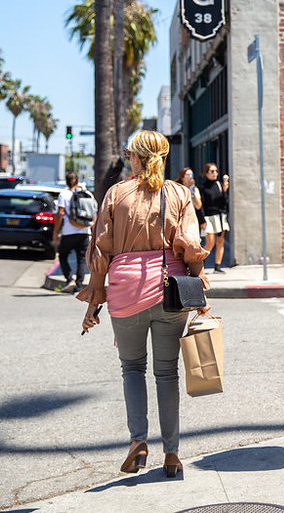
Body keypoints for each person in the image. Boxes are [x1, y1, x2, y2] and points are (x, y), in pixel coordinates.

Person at [78, 130, 209, 478]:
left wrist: (93, 301)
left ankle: (138, 442)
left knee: (132, 369)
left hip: (125, 292)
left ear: (135, 158)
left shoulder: (116, 194)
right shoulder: (180, 193)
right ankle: (172, 454)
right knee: (167, 374)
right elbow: (191, 246)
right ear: (163, 158)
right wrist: (199, 291)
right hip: (170, 292)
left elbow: (100, 253)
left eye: (128, 155)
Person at [53, 172, 90, 293]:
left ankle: (69, 280)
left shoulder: (64, 194)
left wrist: (56, 231)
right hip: (84, 230)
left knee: (62, 255)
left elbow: (60, 213)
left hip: (69, 231)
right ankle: (79, 286)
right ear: (78, 181)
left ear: (66, 181)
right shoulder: (87, 193)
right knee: (81, 258)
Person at [201, 163, 229, 273]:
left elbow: (224, 202)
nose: (215, 173)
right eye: (212, 171)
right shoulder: (202, 187)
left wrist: (225, 191)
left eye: (216, 171)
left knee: (220, 241)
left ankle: (217, 266)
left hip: (220, 216)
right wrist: (202, 220)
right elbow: (201, 205)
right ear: (206, 173)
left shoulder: (219, 184)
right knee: (210, 243)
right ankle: (199, 262)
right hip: (208, 217)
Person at [176, 167, 206, 238]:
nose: (191, 177)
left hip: (192, 219)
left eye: (192, 174)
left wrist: (193, 191)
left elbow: (198, 206)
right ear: (182, 178)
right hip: (180, 219)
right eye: (188, 175)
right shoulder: (178, 189)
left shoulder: (195, 189)